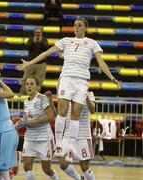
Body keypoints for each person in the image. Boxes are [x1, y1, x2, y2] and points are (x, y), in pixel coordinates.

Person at [16, 18, 120, 157]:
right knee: (63, 111)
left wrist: (112, 78)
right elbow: (47, 53)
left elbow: (101, 62)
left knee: (76, 113)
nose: (76, 27)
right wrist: (30, 63)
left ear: (85, 29)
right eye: (75, 25)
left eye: (79, 25)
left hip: (82, 81)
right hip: (66, 78)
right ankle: (59, 145)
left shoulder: (92, 43)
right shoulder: (66, 40)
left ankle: (70, 145)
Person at [15, 78, 61, 180]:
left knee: (46, 169)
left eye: (32, 84)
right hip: (30, 137)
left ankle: (56, 179)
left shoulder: (42, 98)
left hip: (44, 138)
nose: (29, 86)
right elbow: (26, 117)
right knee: (27, 166)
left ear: (37, 86)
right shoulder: (26, 101)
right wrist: (19, 124)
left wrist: (30, 122)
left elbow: (51, 117)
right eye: (27, 84)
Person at [56, 91, 101, 180]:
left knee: (85, 167)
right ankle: (78, 179)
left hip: (83, 135)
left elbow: (93, 110)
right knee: (62, 163)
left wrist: (85, 97)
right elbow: (61, 111)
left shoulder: (89, 93)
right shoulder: (67, 92)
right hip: (67, 135)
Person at [19, 28, 49, 95]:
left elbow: (47, 48)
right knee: (25, 79)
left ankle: (35, 96)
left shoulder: (44, 40)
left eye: (39, 32)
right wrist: (33, 42)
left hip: (41, 64)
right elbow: (27, 47)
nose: (37, 34)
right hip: (31, 63)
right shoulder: (30, 40)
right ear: (34, 33)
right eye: (36, 32)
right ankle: (22, 94)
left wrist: (41, 42)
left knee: (39, 81)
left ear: (41, 33)